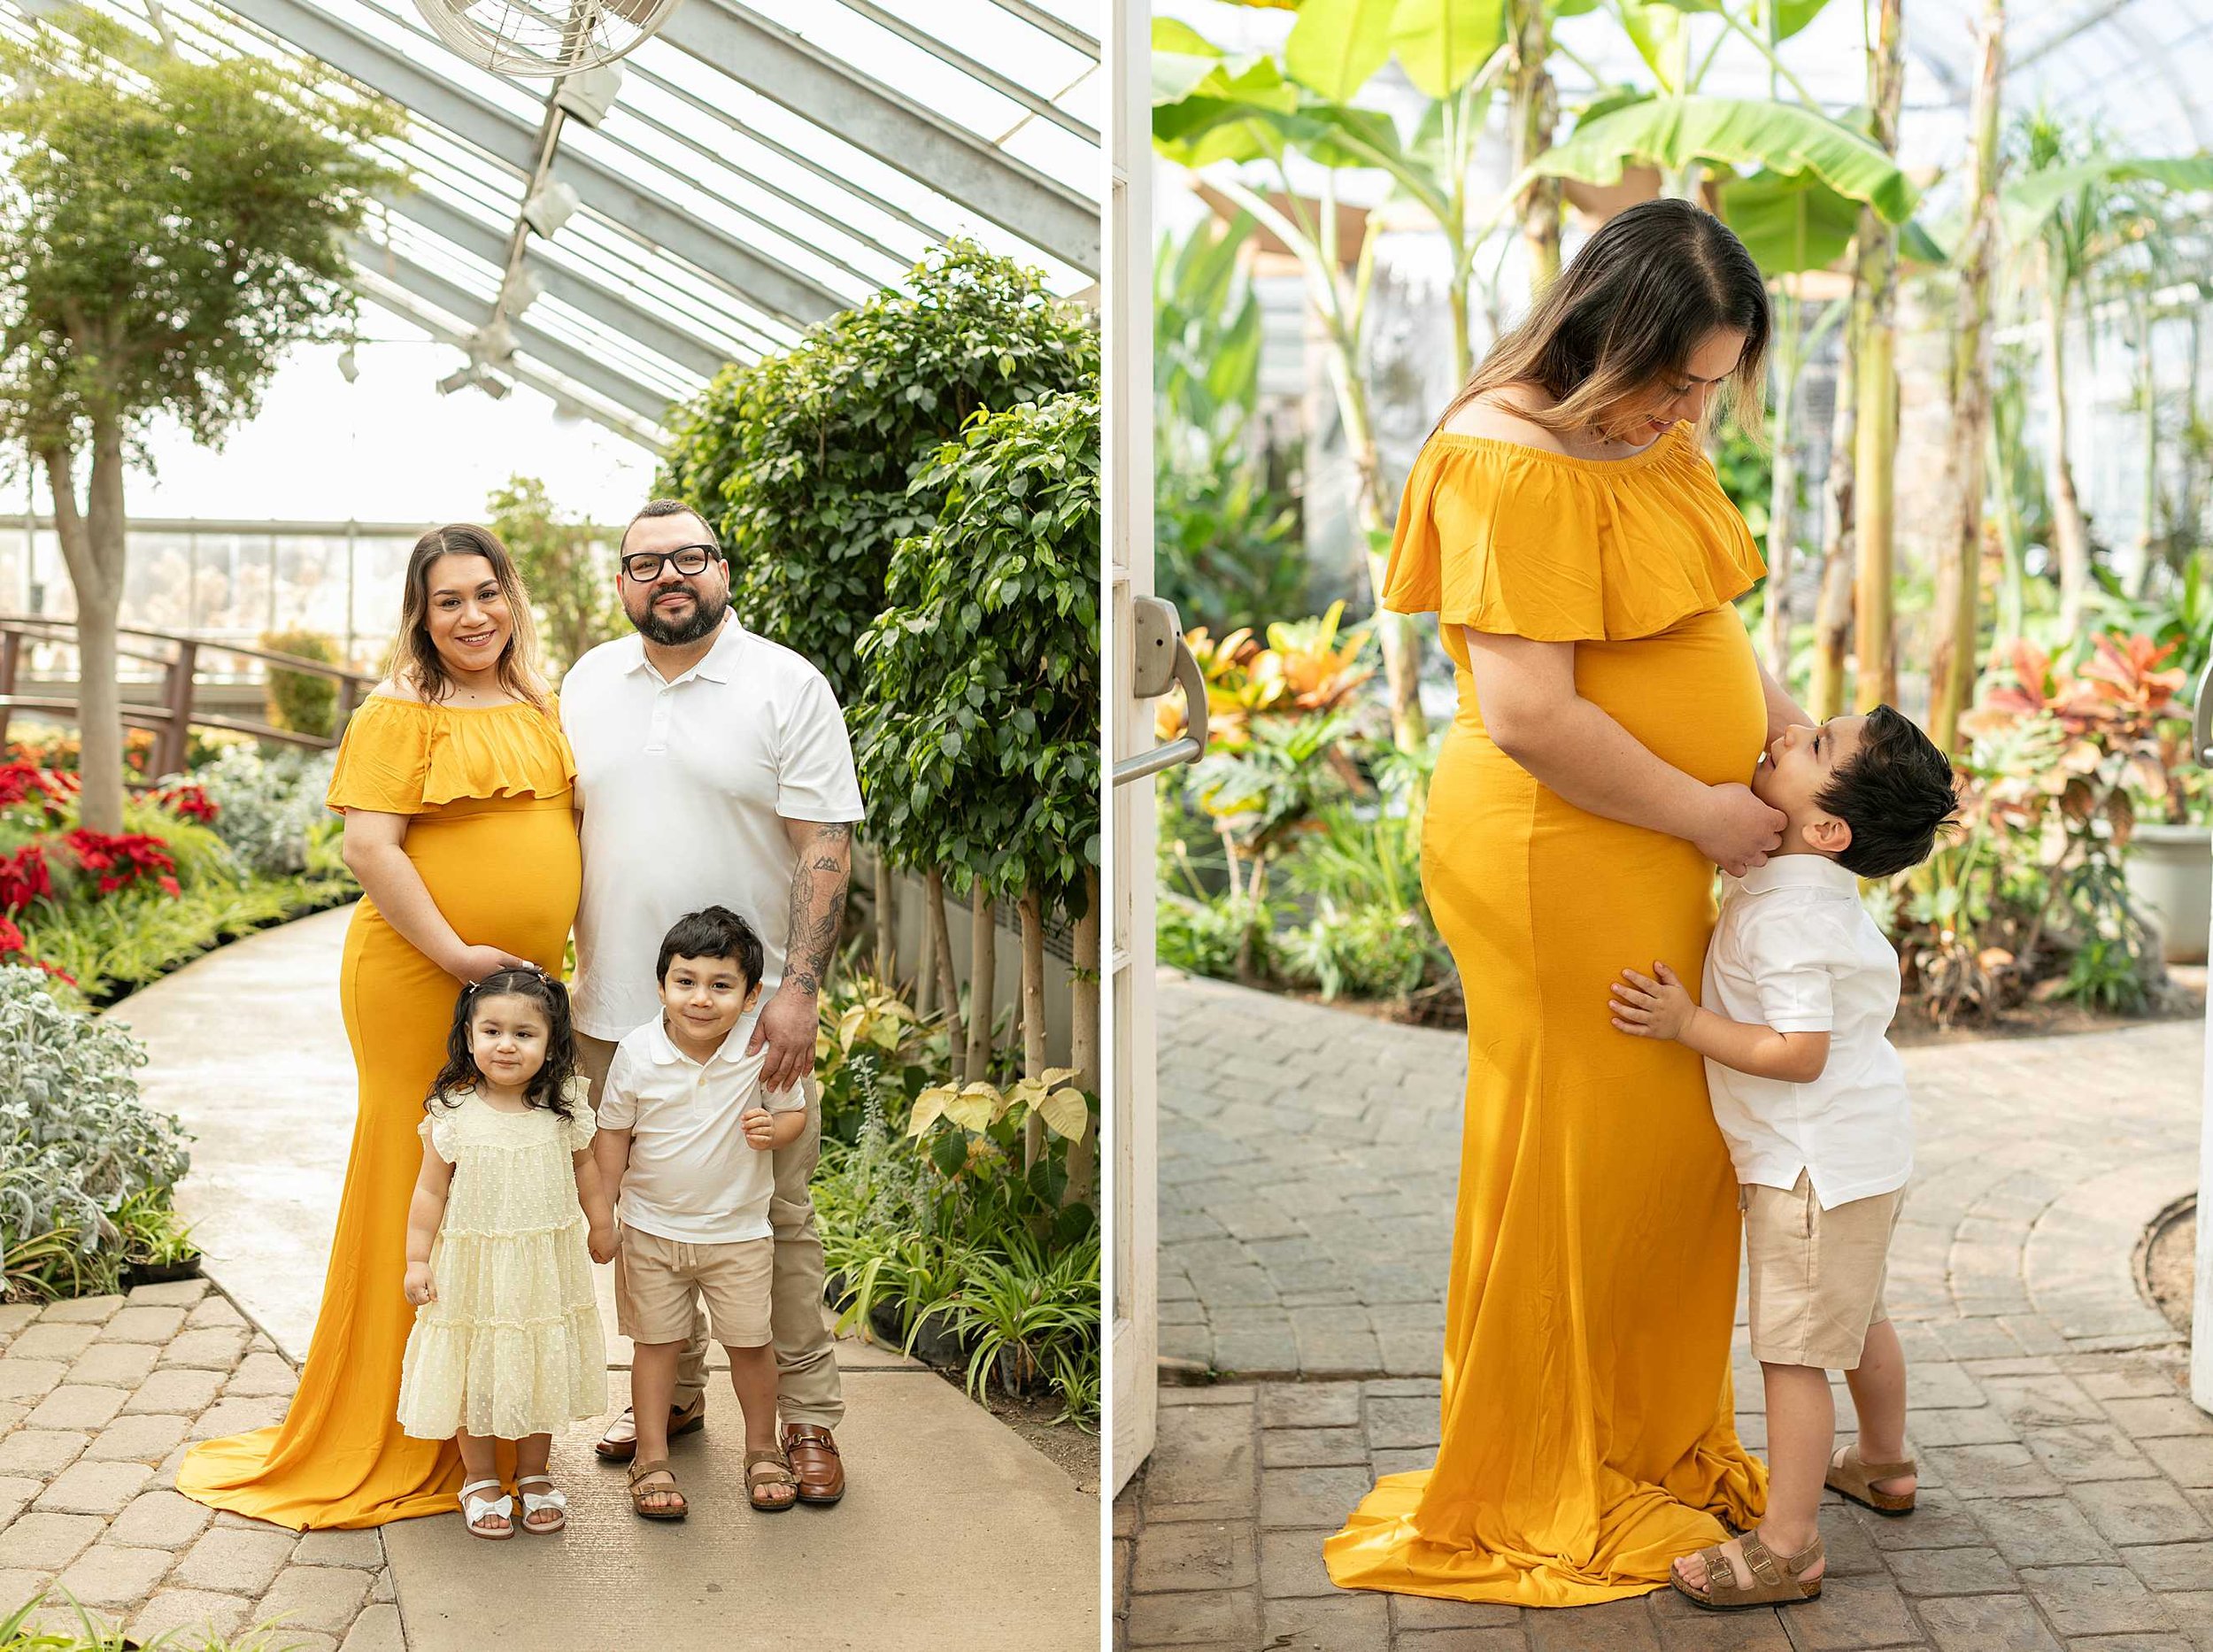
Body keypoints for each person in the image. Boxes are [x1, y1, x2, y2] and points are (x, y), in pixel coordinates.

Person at [1324, 198, 1795, 1605]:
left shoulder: (1650, 434)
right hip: (1555, 846)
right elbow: (1529, 713)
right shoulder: (1501, 453)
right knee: (1577, 1159)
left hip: (1655, 839)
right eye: (1678, 380)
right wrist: (1714, 809)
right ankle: (1548, 1461)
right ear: (1610, 337)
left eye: (1715, 386)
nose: (1692, 411)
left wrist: (1791, 746)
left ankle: (1643, 1435)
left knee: (1666, 1152)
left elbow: (1713, 618)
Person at [179, 524, 579, 1529]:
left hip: (520, 994)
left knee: (501, 1195)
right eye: (449, 601)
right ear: (421, 613)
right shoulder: (401, 711)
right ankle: (402, 1427)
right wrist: (457, 959)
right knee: (422, 1179)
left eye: (486, 593)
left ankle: (484, 1419)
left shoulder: (543, 700)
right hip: (418, 979)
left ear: (511, 596)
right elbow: (370, 849)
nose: (473, 616)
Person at [1607, 706, 1958, 1610]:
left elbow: (1796, 1049)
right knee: (1858, 1315)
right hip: (1860, 1151)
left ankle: (1788, 1547)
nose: (1783, 734)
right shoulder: (1806, 893)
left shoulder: (1792, 923)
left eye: (1812, 746)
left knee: (1795, 1352)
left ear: (1827, 828)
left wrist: (1686, 1025)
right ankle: (1883, 1463)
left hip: (1807, 1165)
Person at [561, 498, 863, 1504]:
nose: (670, 576)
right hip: (613, 1009)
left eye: (690, 557)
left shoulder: (785, 684)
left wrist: (798, 989)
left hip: (751, 1018)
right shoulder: (586, 682)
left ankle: (807, 1421)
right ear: (621, 583)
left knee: (771, 1221)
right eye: (646, 563)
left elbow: (825, 842)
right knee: (647, 1215)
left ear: (723, 570)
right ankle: (674, 1398)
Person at [592, 907, 808, 1520]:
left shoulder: (758, 1047)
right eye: (685, 982)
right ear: (661, 986)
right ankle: (653, 1456)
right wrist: (604, 1214)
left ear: (749, 997)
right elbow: (613, 1133)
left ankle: (763, 1448)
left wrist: (776, 1129)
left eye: (721, 985)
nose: (701, 998)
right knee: (655, 1345)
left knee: (750, 1343)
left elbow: (790, 1110)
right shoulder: (638, 1052)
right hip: (652, 1231)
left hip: (736, 1233)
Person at [396, 969, 614, 1540]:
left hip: (542, 1269)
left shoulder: (562, 1108)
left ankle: (536, 1474)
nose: (507, 1045)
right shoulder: (454, 1112)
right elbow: (428, 1191)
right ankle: (483, 1479)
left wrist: (601, 1221)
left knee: (537, 1369)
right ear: (469, 1040)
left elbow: (586, 1168)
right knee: (476, 1371)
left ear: (551, 1043)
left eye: (525, 1034)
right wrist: (417, 1260)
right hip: (473, 1273)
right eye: (491, 1031)